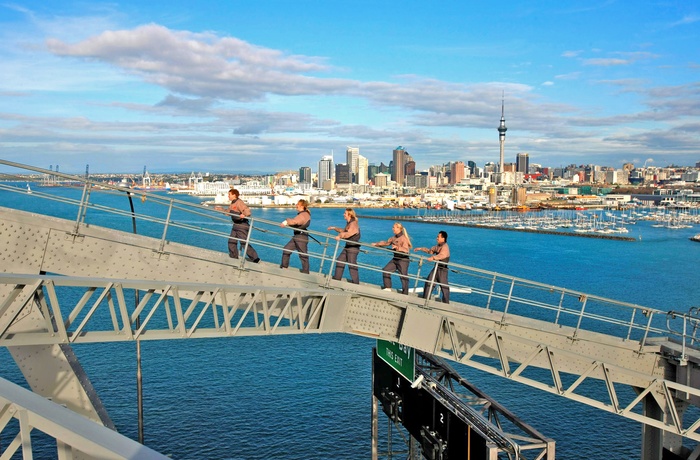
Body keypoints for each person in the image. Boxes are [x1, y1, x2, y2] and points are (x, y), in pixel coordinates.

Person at [217, 188, 260, 263]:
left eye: (229, 194)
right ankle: (234, 257)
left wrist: (244, 215)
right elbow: (228, 212)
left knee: (243, 243)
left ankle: (255, 258)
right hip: (235, 225)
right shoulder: (232, 203)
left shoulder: (239, 202)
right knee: (231, 241)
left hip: (242, 225)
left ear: (234, 195)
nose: (228, 196)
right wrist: (220, 209)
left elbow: (247, 211)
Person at [372, 222, 412, 294]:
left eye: (394, 227)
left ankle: (405, 293)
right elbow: (386, 243)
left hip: (403, 260)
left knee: (403, 276)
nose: (392, 229)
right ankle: (388, 287)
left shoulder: (403, 238)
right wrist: (376, 244)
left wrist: (397, 247)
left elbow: (406, 250)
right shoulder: (394, 238)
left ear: (399, 228)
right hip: (395, 258)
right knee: (386, 270)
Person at [414, 230, 450, 303]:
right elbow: (430, 251)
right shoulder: (437, 246)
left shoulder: (445, 247)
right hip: (436, 268)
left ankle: (446, 303)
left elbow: (443, 255)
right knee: (429, 282)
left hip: (442, 269)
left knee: (444, 287)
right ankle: (425, 299)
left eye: (438, 237)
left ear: (443, 238)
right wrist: (421, 249)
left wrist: (433, 258)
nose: (437, 238)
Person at [327, 208, 361, 284]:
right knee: (340, 261)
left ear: (349, 215)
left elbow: (349, 233)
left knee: (352, 265)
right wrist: (334, 228)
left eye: (345, 213)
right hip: (348, 246)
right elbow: (344, 231)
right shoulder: (349, 223)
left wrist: (340, 236)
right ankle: (337, 279)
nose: (344, 214)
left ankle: (356, 284)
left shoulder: (353, 224)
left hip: (353, 247)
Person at [280, 199, 311, 274]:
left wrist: (286, 222)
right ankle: (284, 267)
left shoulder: (303, 215)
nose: (296, 205)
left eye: (298, 204)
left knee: (303, 255)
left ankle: (306, 272)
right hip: (298, 236)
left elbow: (295, 221)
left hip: (301, 237)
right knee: (286, 249)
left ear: (302, 206)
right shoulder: (304, 214)